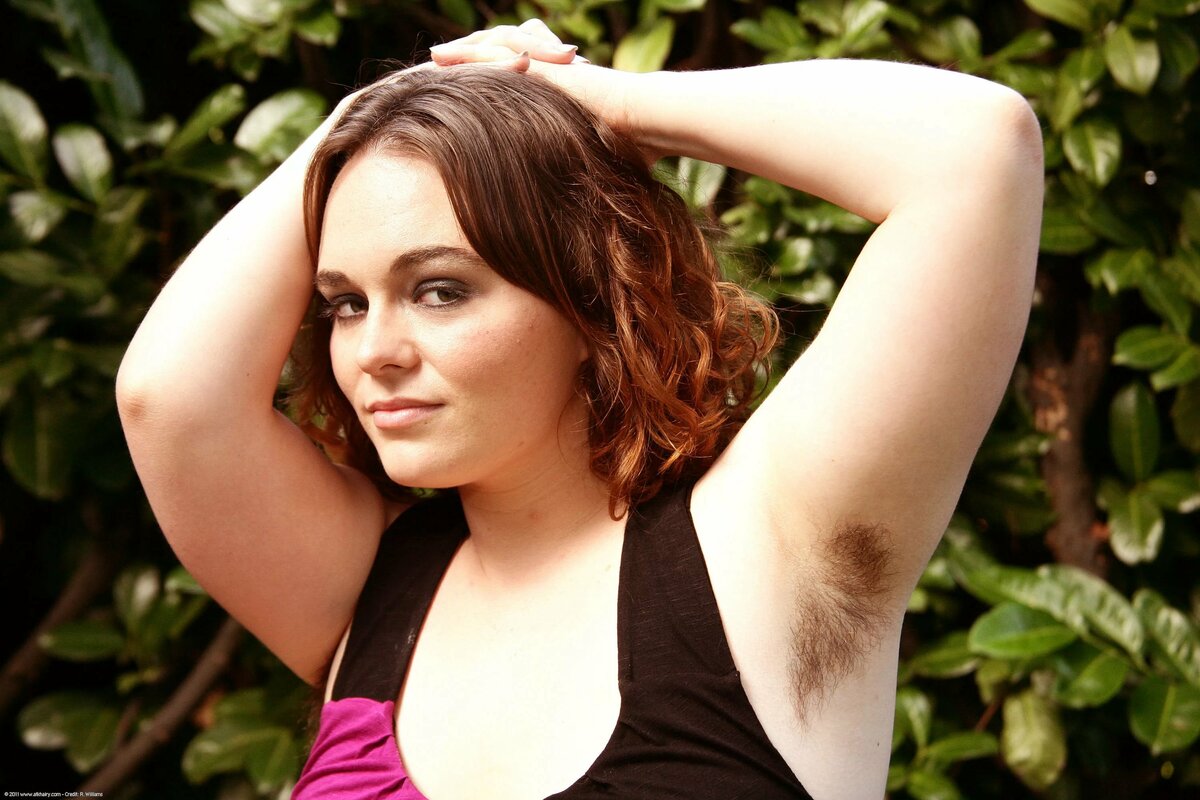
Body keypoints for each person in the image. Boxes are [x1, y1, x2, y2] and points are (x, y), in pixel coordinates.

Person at [116, 18, 1042, 800]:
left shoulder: (769, 549)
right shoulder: (370, 587)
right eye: (347, 303)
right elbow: (168, 399)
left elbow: (973, 151)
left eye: (440, 290)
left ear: (593, 301)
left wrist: (603, 102)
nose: (374, 350)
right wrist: (378, 109)